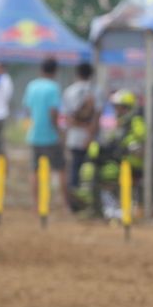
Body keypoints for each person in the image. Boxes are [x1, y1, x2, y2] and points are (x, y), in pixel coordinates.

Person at [73, 89, 145, 219]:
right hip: (117, 158)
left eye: (121, 108)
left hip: (129, 162)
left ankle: (110, 207)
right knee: (91, 164)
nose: (118, 110)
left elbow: (140, 137)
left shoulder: (135, 121)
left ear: (128, 108)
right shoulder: (119, 122)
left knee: (108, 172)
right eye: (116, 107)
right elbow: (111, 139)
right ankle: (91, 200)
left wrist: (128, 144)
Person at [23, 58, 65, 205]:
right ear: (55, 71)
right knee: (60, 168)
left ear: (41, 69)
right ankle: (65, 203)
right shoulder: (53, 87)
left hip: (34, 135)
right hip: (51, 136)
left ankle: (35, 203)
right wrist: (59, 132)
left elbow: (28, 109)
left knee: (34, 170)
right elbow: (53, 113)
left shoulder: (32, 86)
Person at [61, 61, 99, 206]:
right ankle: (90, 202)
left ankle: (75, 203)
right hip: (93, 139)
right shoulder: (96, 90)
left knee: (74, 170)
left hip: (74, 137)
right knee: (92, 170)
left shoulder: (69, 91)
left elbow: (67, 118)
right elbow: (97, 117)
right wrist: (90, 136)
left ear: (77, 74)